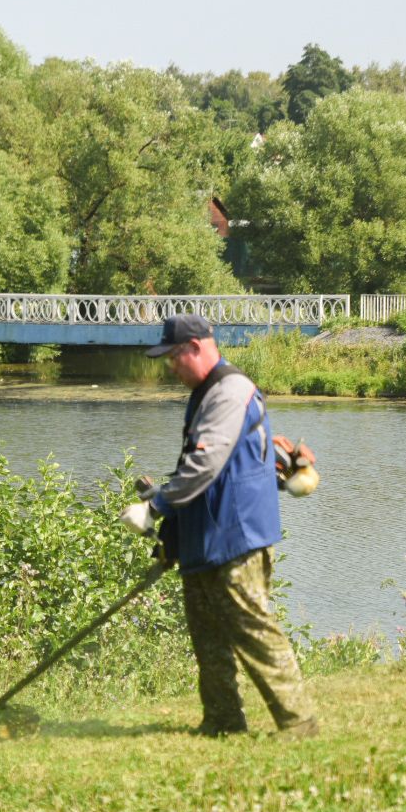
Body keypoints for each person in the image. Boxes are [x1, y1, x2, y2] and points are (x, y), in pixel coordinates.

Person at [119, 314, 318, 738]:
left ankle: (299, 724)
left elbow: (205, 463)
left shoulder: (231, 392)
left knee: (255, 632)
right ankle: (223, 721)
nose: (170, 366)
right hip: (205, 539)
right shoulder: (205, 393)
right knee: (208, 640)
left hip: (236, 538)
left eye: (173, 357)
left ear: (195, 347)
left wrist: (155, 507)